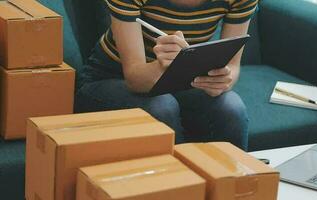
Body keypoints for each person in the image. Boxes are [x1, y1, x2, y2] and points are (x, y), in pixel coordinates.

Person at [75, 0, 258, 150]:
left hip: (180, 81)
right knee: (162, 106)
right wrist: (162, 67)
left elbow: (233, 65)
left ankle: (233, 188)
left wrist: (222, 81)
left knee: (231, 108)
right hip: (109, 78)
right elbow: (134, 78)